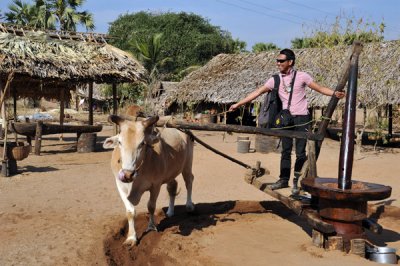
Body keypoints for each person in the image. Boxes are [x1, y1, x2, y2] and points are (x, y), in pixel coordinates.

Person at [229, 48, 345, 192]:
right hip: (285, 119)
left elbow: (320, 89)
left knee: (301, 152)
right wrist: (238, 104)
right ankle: (283, 180)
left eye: (281, 61)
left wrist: (334, 93)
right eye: (277, 60)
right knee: (285, 150)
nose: (278, 63)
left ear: (290, 62)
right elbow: (257, 92)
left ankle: (297, 181)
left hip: (302, 118)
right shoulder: (274, 80)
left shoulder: (302, 76)